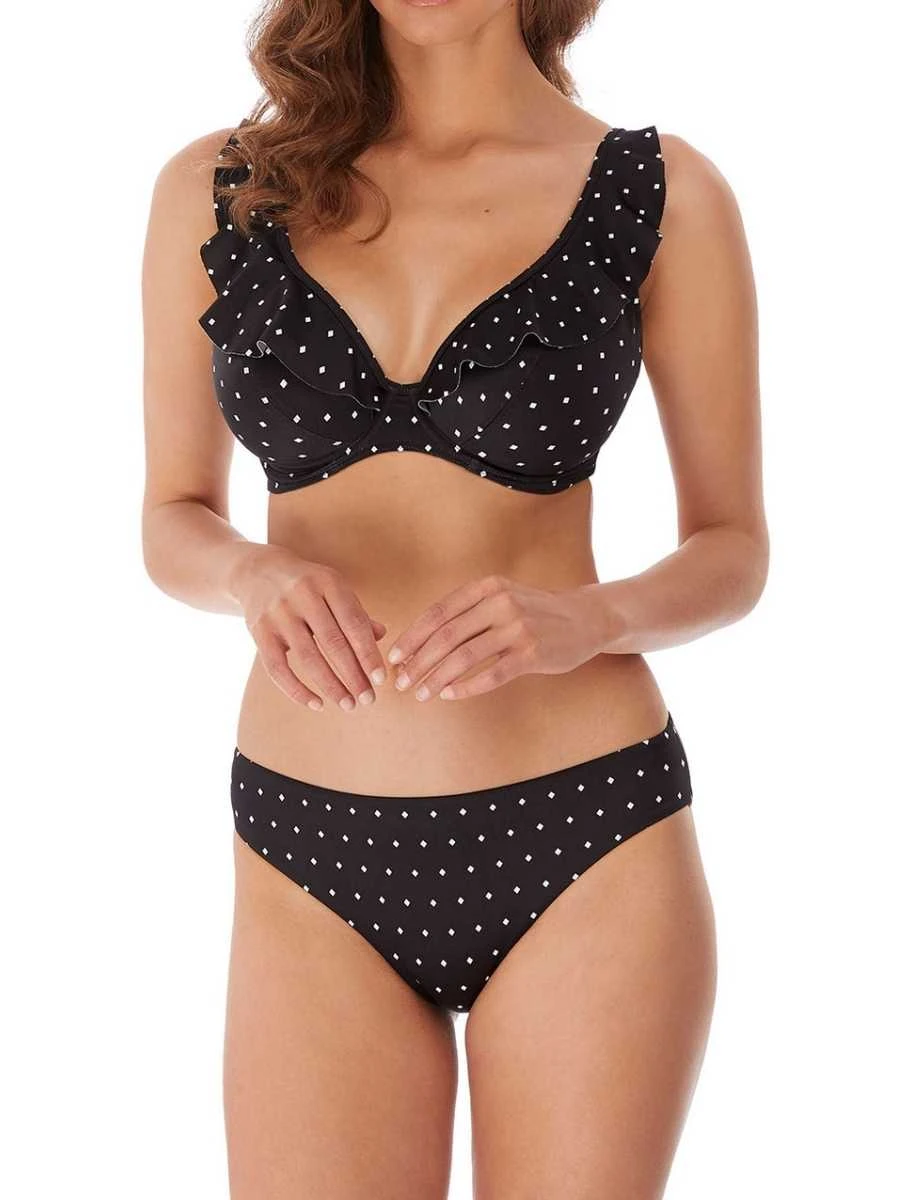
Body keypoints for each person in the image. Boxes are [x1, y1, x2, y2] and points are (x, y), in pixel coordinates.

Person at [141, 2, 767, 1195]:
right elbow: (171, 514)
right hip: (306, 851)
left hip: (587, 837)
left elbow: (733, 549)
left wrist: (592, 617)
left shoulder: (660, 192)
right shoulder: (223, 188)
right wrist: (249, 572)